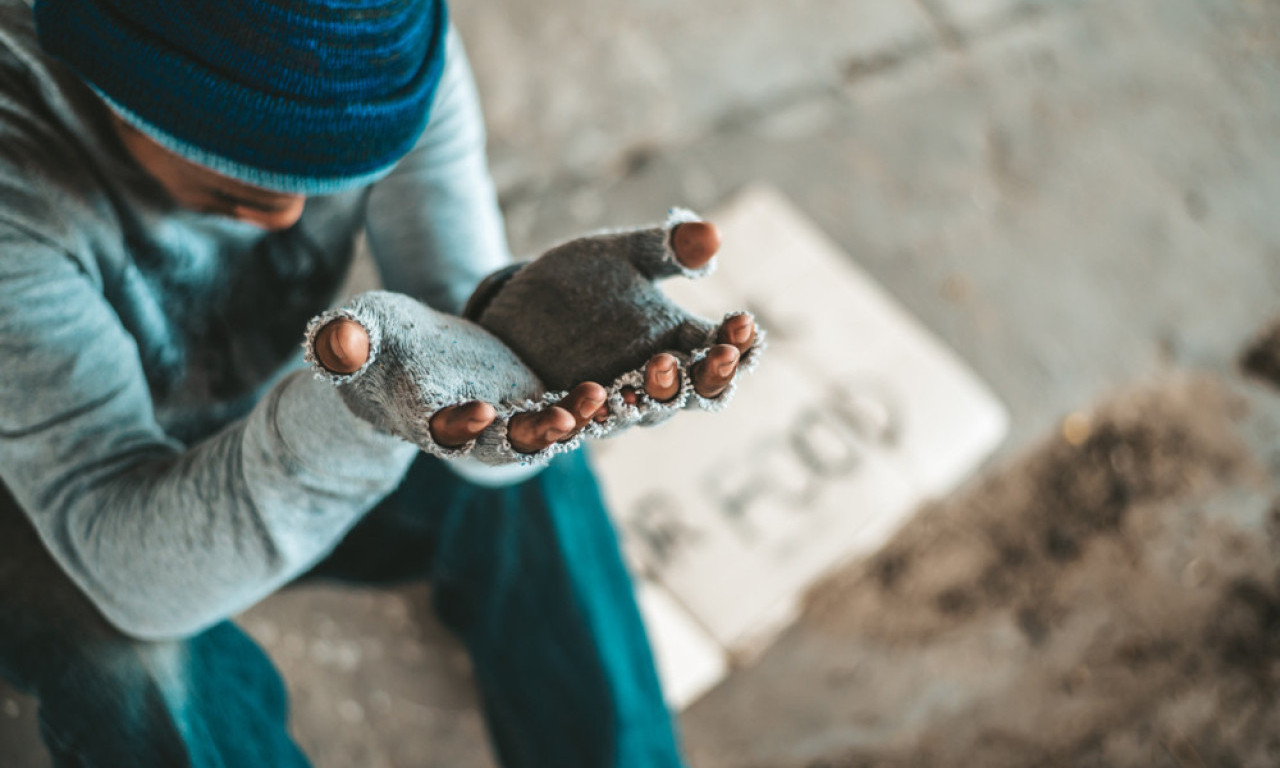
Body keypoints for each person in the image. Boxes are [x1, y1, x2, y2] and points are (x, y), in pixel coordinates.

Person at [0, 0, 753, 765]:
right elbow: (133, 571)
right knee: (137, 669)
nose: (287, 215)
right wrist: (367, 404)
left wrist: (521, 339)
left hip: (241, 408)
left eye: (330, 179)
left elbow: (468, 336)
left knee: (538, 413)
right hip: (38, 484)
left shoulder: (390, 57)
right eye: (237, 183)